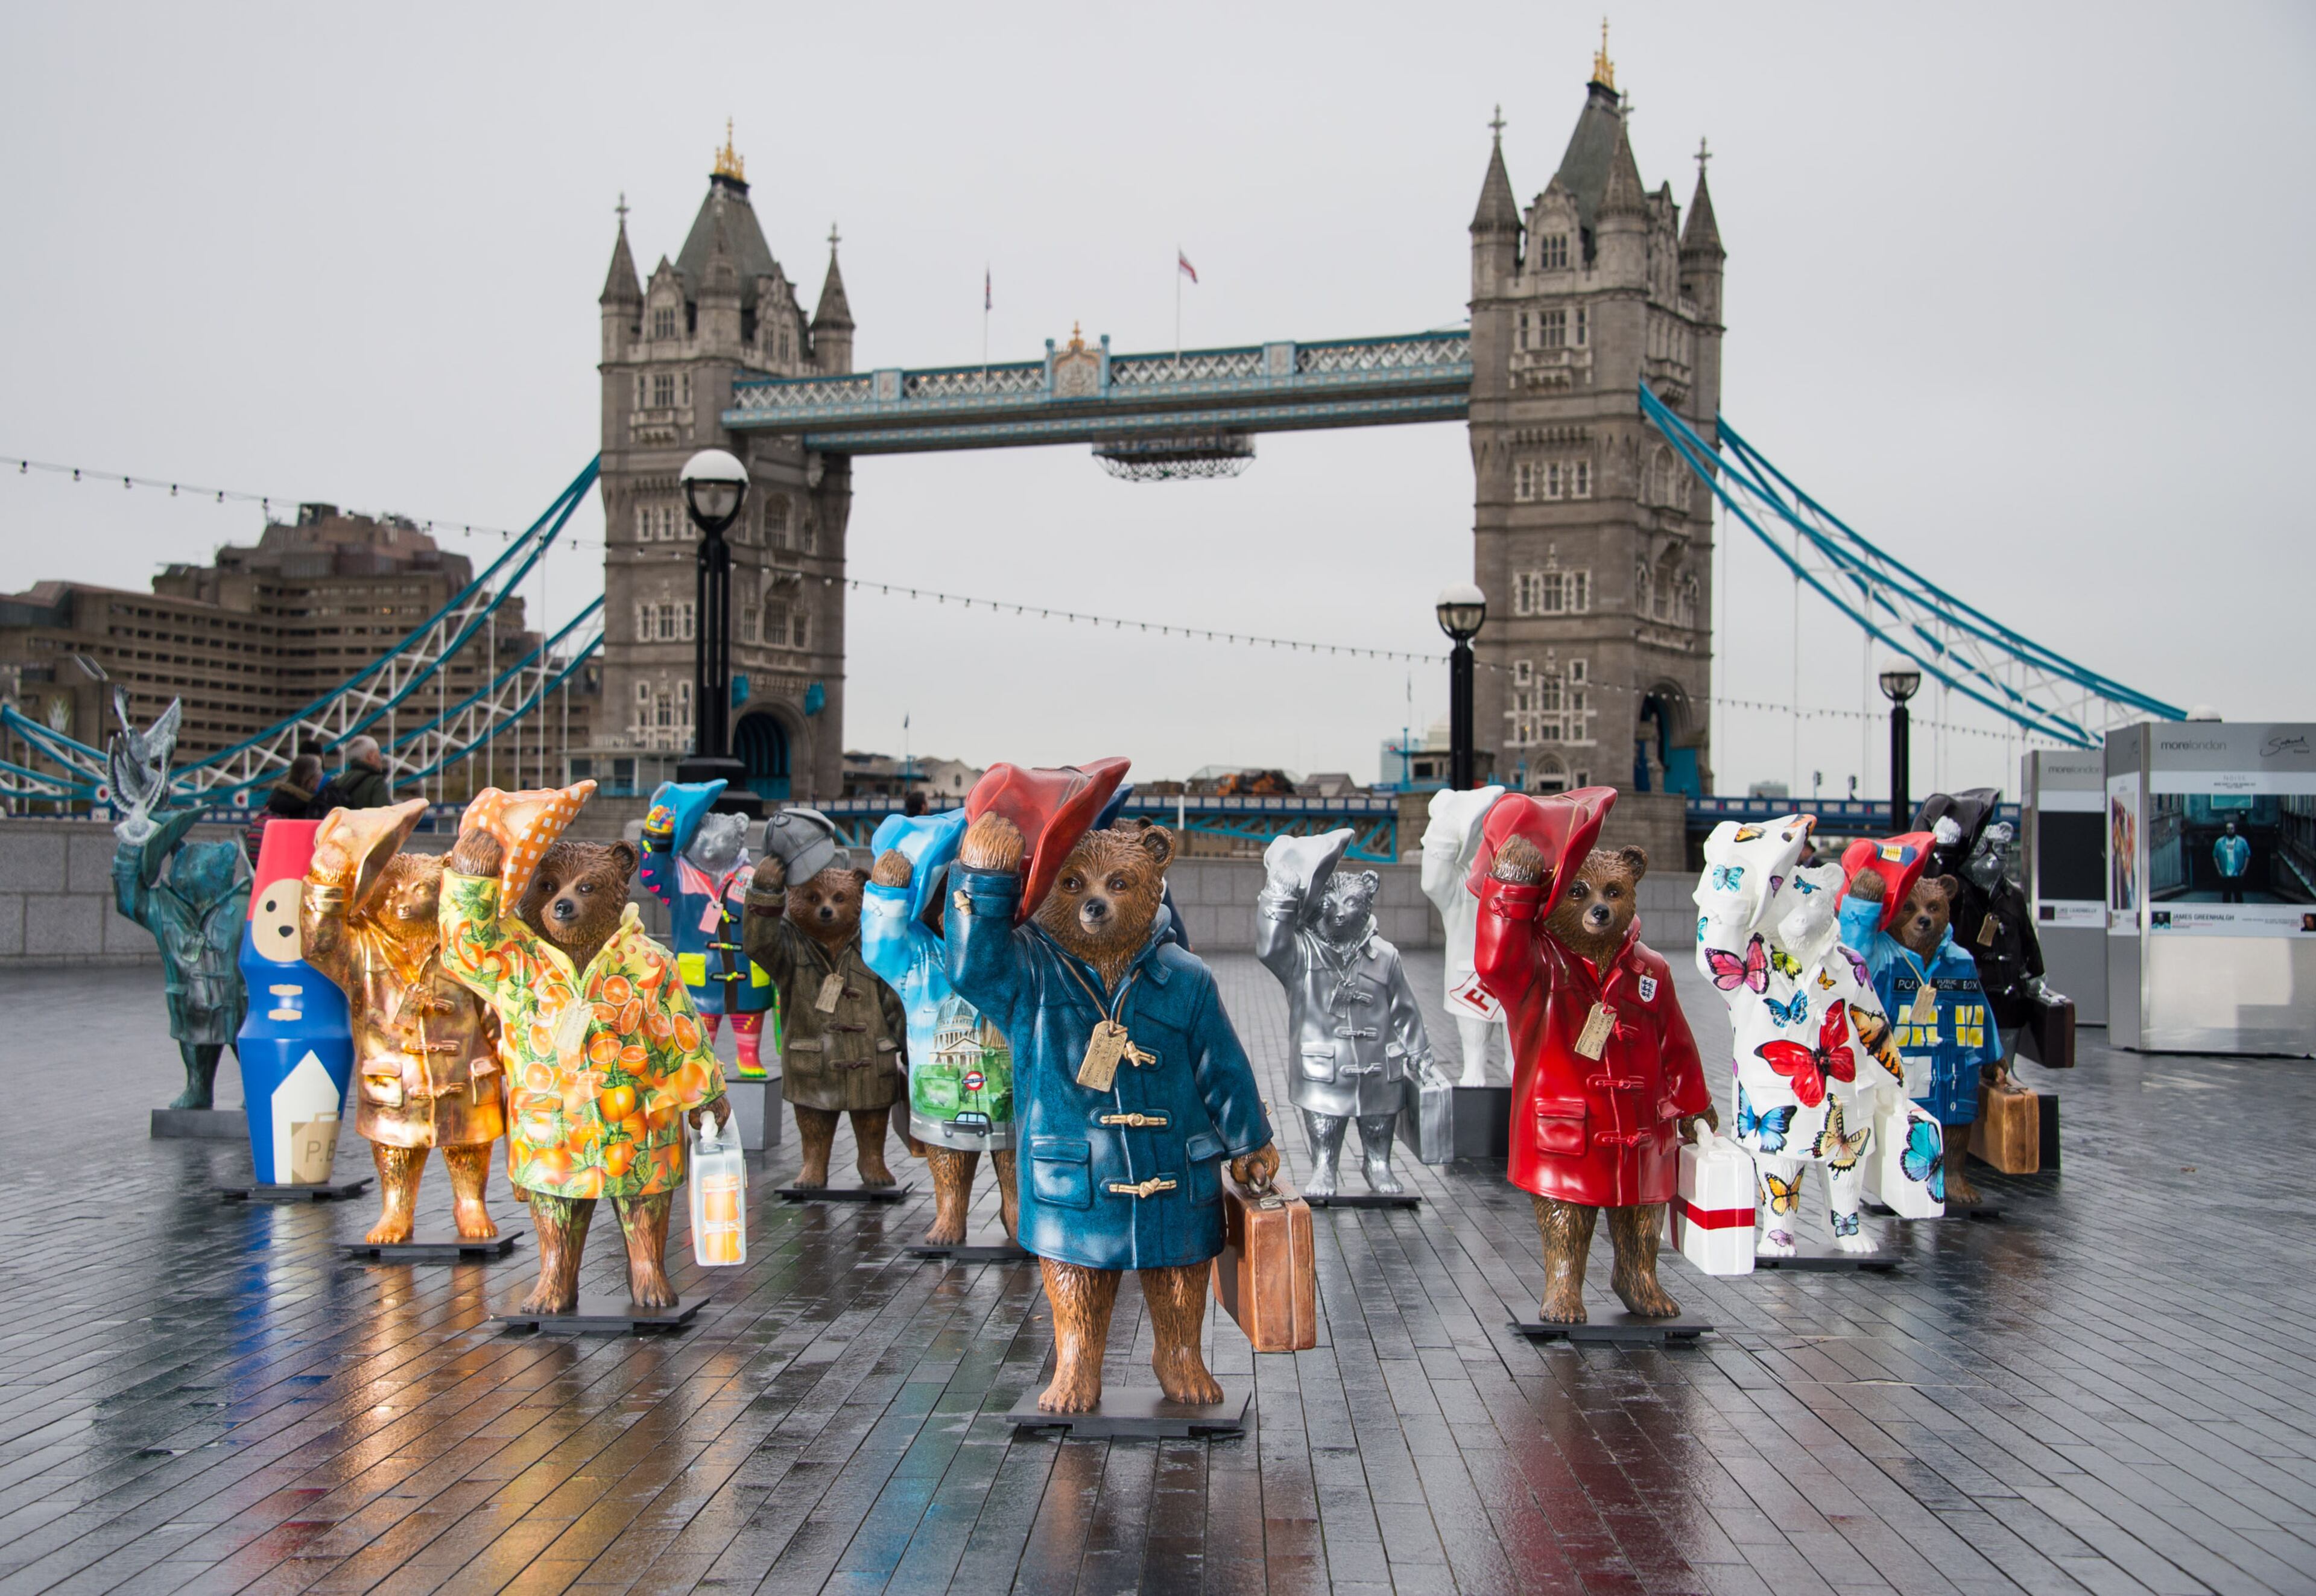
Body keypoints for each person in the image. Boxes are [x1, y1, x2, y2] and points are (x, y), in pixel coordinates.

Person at [244, 753, 324, 864]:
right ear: (310, 780)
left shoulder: (276, 797)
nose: (322, 777)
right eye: (320, 773)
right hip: (277, 863)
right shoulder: (303, 807)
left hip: (256, 859)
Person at [319, 736, 394, 811]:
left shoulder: (338, 782)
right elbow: (385, 813)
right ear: (371, 756)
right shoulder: (375, 781)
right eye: (379, 753)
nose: (380, 758)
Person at [2215, 820, 2251, 904]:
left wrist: (2244, 869)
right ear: (2226, 830)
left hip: (2237, 874)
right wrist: (2219, 870)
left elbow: (2248, 855)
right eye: (2228, 829)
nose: (2230, 830)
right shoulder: (2220, 842)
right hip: (2226, 874)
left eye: (2232, 828)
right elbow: (2215, 856)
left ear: (2235, 829)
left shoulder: (2242, 841)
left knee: (2238, 896)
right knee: (2226, 897)